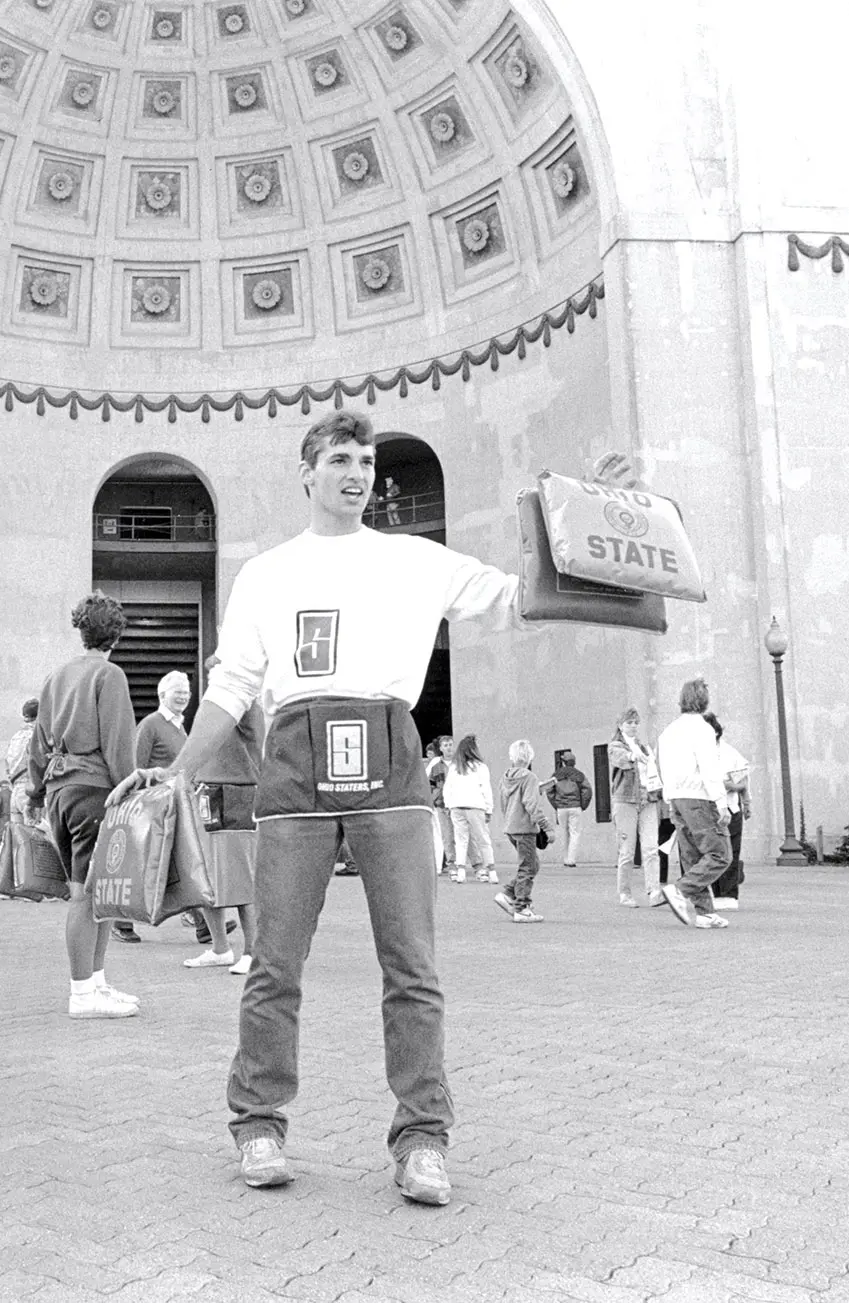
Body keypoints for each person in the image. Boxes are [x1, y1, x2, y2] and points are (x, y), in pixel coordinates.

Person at [112, 409, 544, 1207]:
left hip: (390, 754)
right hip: (295, 763)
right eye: (339, 458)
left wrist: (581, 525)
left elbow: (518, 597)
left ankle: (421, 1139)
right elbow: (231, 686)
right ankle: (258, 1121)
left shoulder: (416, 558)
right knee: (274, 961)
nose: (357, 473)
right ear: (306, 472)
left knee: (411, 964)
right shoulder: (268, 572)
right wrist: (179, 774)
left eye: (367, 461)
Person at [29, 591, 141, 1020]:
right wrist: (130, 786)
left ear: (81, 629)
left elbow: (38, 745)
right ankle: (82, 993)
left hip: (59, 792)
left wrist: (40, 791)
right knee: (89, 894)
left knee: (99, 893)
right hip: (94, 791)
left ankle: (95, 984)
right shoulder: (109, 675)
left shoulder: (57, 676)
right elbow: (117, 740)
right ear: (116, 633)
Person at [188, 653, 260, 975]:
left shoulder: (245, 704)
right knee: (205, 875)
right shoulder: (213, 709)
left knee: (241, 876)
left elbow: (253, 737)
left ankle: (253, 951)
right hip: (206, 791)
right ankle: (220, 947)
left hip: (237, 792)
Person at [655, 677, 733, 929]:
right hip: (699, 796)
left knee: (691, 855)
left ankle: (704, 913)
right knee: (720, 854)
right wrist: (721, 802)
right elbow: (709, 768)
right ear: (704, 700)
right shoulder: (703, 729)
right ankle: (680, 890)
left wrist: (669, 799)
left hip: (676, 798)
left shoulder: (668, 731)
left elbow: (661, 767)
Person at [122, 669, 193, 945]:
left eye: (186, 692)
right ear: (162, 694)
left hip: (176, 803)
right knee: (147, 863)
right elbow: (136, 766)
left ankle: (201, 922)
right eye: (178, 691)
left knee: (181, 860)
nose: (183, 696)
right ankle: (121, 921)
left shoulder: (179, 726)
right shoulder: (151, 724)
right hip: (154, 806)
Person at [496, 740, 554, 923]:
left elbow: (509, 801)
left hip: (511, 827)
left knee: (532, 864)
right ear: (530, 757)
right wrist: (547, 827)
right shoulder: (529, 777)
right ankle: (521, 907)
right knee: (528, 867)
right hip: (525, 828)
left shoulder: (506, 777)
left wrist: (538, 790)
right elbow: (531, 804)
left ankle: (508, 893)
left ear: (512, 757)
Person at [609, 709, 662, 907]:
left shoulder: (645, 747)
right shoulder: (615, 745)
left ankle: (654, 891)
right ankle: (624, 893)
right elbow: (619, 758)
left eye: (636, 722)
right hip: (625, 801)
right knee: (627, 851)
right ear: (621, 725)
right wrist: (633, 756)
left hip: (647, 799)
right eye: (629, 722)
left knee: (651, 848)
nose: (633, 726)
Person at [706, 713, 748, 909]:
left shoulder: (730, 753)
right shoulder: (695, 754)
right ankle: (713, 894)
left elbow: (742, 782)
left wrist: (745, 801)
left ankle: (729, 894)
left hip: (730, 807)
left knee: (731, 851)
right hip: (706, 809)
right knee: (712, 852)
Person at [442, 733, 496, 884]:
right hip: (475, 806)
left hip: (456, 806)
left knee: (461, 840)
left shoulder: (454, 767)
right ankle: (491, 871)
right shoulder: (480, 767)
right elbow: (486, 789)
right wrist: (489, 809)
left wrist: (448, 805)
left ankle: (461, 872)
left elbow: (447, 788)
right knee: (483, 839)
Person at [543, 749, 591, 867]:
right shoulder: (579, 775)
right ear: (574, 762)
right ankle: (571, 860)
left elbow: (549, 790)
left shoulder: (556, 775)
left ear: (563, 762)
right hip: (575, 807)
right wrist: (582, 805)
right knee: (574, 833)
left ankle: (565, 859)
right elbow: (587, 790)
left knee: (564, 833)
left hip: (561, 808)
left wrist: (556, 804)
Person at [5, 698, 40, 824]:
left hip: (15, 792)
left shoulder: (15, 737)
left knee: (19, 840)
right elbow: (40, 764)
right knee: (37, 839)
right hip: (30, 793)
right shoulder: (35, 736)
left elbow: (7, 766)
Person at [424, 736, 453, 874]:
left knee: (440, 835)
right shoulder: (439, 763)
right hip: (442, 803)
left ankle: (440, 866)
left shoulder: (436, 763)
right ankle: (445, 865)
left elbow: (427, 782)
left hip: (440, 803)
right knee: (445, 835)